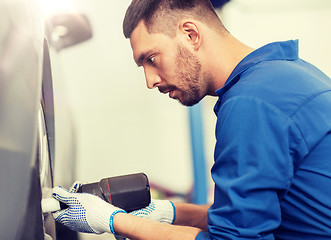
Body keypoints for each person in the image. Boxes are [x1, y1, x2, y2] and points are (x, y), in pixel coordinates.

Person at [52, 0, 331, 239]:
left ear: (190, 34)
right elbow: (253, 216)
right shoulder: (284, 75)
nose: (150, 81)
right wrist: (172, 212)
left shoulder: (252, 103)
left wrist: (110, 220)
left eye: (151, 58)